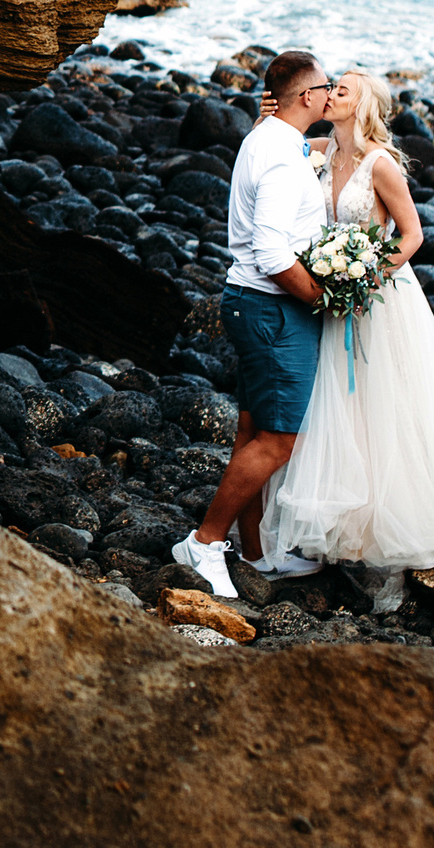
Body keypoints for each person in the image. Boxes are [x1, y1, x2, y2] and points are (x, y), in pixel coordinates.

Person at [260, 69, 434, 623]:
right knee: (336, 410)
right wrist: (268, 111)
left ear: (362, 108)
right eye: (329, 88)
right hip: (333, 297)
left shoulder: (381, 163)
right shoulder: (314, 150)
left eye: (342, 91)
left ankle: (390, 535)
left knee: (387, 409)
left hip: (379, 298)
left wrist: (366, 274)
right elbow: (275, 136)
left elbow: (412, 234)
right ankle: (337, 532)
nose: (330, 94)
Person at [172, 51, 332, 599]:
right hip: (273, 309)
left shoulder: (270, 137)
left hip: (253, 305)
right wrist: (317, 297)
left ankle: (256, 553)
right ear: (308, 97)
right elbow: (270, 249)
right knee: (278, 442)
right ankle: (205, 542)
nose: (330, 93)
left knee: (251, 431)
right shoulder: (283, 158)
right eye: (325, 86)